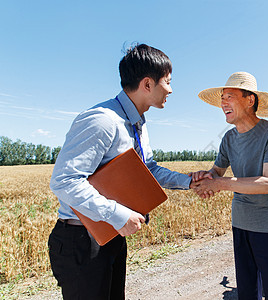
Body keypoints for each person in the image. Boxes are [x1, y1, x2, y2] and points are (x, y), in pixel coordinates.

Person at [48, 43, 195, 300]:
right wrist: (117, 214)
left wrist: (190, 182)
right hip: (82, 241)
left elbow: (147, 170)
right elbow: (65, 180)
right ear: (147, 84)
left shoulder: (137, 123)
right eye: (168, 82)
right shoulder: (103, 120)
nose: (170, 90)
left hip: (110, 235)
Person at [190, 71, 268, 299]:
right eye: (222, 98)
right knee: (247, 293)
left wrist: (220, 183)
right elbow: (216, 172)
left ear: (250, 100)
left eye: (229, 96)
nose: (223, 102)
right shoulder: (229, 138)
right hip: (241, 226)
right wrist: (204, 179)